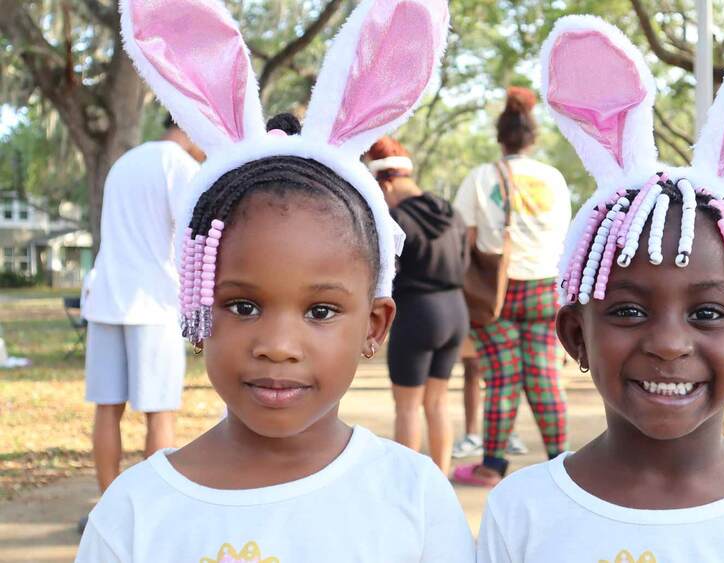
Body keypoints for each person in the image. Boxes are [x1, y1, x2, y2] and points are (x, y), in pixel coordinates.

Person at [78, 0, 473, 560]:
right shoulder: (134, 514)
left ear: (375, 324)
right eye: (242, 306)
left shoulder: (415, 496)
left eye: (320, 311)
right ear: (194, 311)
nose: (278, 347)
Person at [477, 10, 724, 562]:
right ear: (574, 335)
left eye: (707, 313)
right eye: (629, 311)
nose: (668, 343)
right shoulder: (521, 513)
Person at [451, 87, 571, 486]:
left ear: (500, 137)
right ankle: (560, 461)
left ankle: (493, 466)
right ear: (533, 137)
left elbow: (463, 240)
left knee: (502, 377)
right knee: (544, 376)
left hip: (493, 295)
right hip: (544, 287)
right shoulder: (553, 179)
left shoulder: (479, 178)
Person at [81, 112, 203, 504]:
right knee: (159, 413)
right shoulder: (179, 164)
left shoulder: (126, 161)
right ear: (193, 126)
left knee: (107, 410)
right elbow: (192, 235)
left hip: (105, 298)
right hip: (153, 302)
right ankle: (154, 511)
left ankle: (105, 506)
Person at [363, 136, 468, 475]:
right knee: (437, 403)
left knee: (407, 408)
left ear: (386, 182)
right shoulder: (451, 212)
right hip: (455, 311)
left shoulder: (396, 220)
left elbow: (386, 275)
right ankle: (441, 482)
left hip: (418, 314)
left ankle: (408, 488)